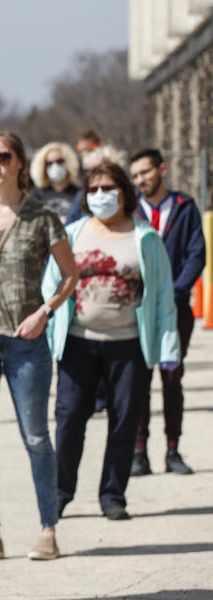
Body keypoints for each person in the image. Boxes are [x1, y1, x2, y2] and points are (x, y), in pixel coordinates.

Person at [0, 132, 78, 564]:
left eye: (3, 156)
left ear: (19, 163)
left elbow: (71, 273)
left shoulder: (43, 215)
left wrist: (45, 311)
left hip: (27, 342)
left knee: (35, 436)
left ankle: (48, 529)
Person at [43, 162, 179, 521]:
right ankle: (59, 492)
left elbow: (163, 295)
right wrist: (47, 326)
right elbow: (51, 283)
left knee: (124, 418)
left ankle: (112, 494)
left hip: (129, 344)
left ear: (124, 193)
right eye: (94, 190)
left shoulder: (145, 237)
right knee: (69, 417)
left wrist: (168, 349)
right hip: (77, 342)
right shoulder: (72, 233)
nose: (100, 196)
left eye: (109, 189)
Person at [129, 148, 205, 476]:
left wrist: (175, 291)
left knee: (172, 377)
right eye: (135, 176)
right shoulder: (129, 210)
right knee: (138, 381)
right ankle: (138, 451)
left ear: (162, 169)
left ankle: (173, 449)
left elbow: (196, 254)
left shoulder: (185, 207)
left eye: (145, 172)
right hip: (138, 309)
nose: (140, 180)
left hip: (175, 309)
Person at [29, 141, 81, 222]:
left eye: (59, 161)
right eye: (49, 163)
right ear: (43, 166)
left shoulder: (78, 193)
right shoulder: (36, 195)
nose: (55, 166)